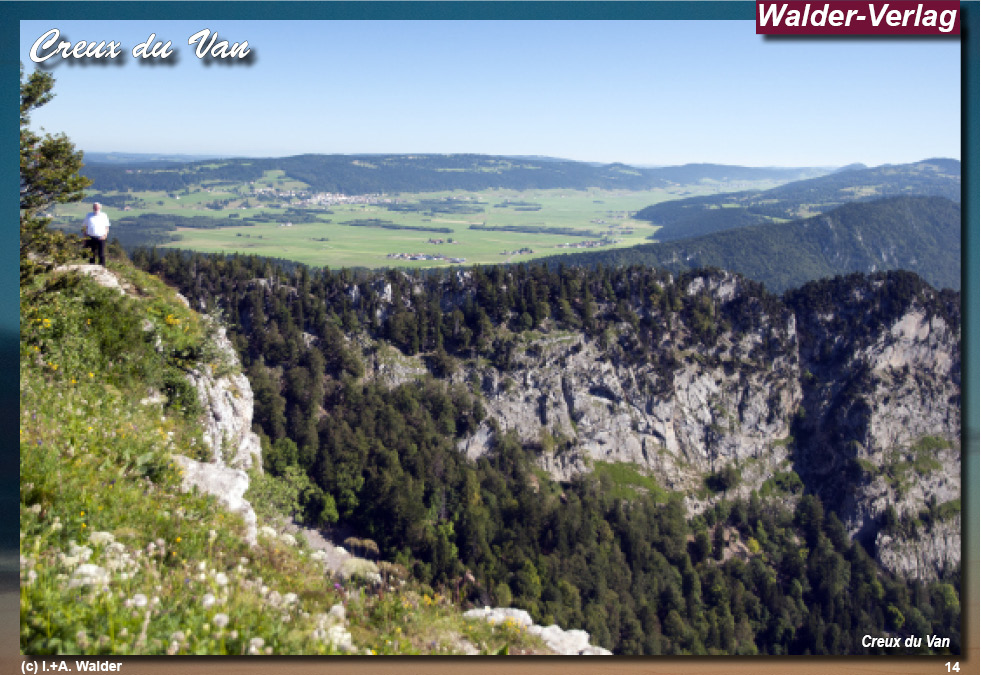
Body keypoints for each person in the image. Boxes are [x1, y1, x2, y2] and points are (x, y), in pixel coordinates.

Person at [82, 202, 110, 266]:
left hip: (101, 237)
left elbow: (107, 227)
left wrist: (105, 235)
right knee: (91, 254)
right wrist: (84, 238)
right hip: (90, 237)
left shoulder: (104, 215)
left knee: (101, 254)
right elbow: (85, 227)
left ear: (100, 208)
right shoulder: (88, 215)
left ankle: (102, 267)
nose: (96, 208)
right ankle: (92, 267)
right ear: (93, 208)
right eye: (94, 207)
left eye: (97, 207)